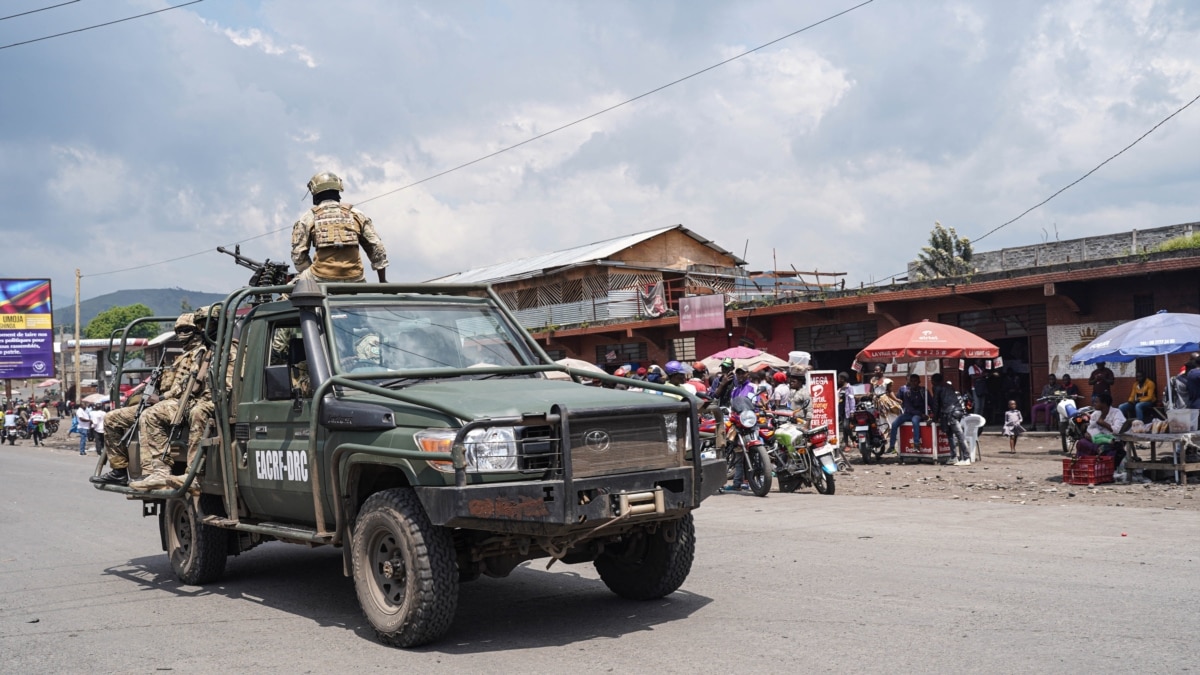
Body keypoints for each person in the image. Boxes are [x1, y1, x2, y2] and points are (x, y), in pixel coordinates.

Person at [130, 312, 212, 490]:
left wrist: (160, 398)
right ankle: (145, 472)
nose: (182, 334)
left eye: (187, 330)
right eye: (179, 330)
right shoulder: (184, 356)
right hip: (176, 400)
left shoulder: (201, 352)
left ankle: (160, 472)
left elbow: (189, 385)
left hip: (187, 401)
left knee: (149, 415)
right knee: (133, 414)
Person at [291, 171, 389, 284]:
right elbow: (377, 248)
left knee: (287, 293)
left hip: (319, 278)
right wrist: (382, 281)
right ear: (338, 192)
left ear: (315, 195)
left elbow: (298, 255)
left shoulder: (308, 218)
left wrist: (308, 274)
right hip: (356, 279)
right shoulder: (357, 214)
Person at [1075, 392, 1127, 469]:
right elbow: (1091, 427)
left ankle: (1105, 468)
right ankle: (1085, 467)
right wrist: (1087, 433)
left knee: (1107, 448)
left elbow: (1118, 430)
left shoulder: (1116, 413)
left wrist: (1104, 424)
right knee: (1081, 442)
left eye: (1096, 402)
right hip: (1097, 439)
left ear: (1104, 403)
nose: (1094, 404)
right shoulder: (1096, 414)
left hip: (1112, 439)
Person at [931, 373, 968, 465]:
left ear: (933, 381)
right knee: (951, 435)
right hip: (958, 410)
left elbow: (936, 404)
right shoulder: (949, 386)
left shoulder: (937, 388)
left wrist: (934, 418)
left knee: (958, 435)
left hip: (949, 413)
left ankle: (966, 458)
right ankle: (953, 456)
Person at [888, 373, 928, 453]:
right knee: (894, 423)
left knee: (915, 421)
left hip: (919, 414)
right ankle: (892, 446)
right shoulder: (907, 392)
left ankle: (916, 445)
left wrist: (931, 415)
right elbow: (908, 407)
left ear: (919, 381)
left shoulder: (923, 391)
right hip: (909, 413)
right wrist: (921, 414)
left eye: (915, 381)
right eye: (911, 381)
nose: (913, 383)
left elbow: (931, 402)